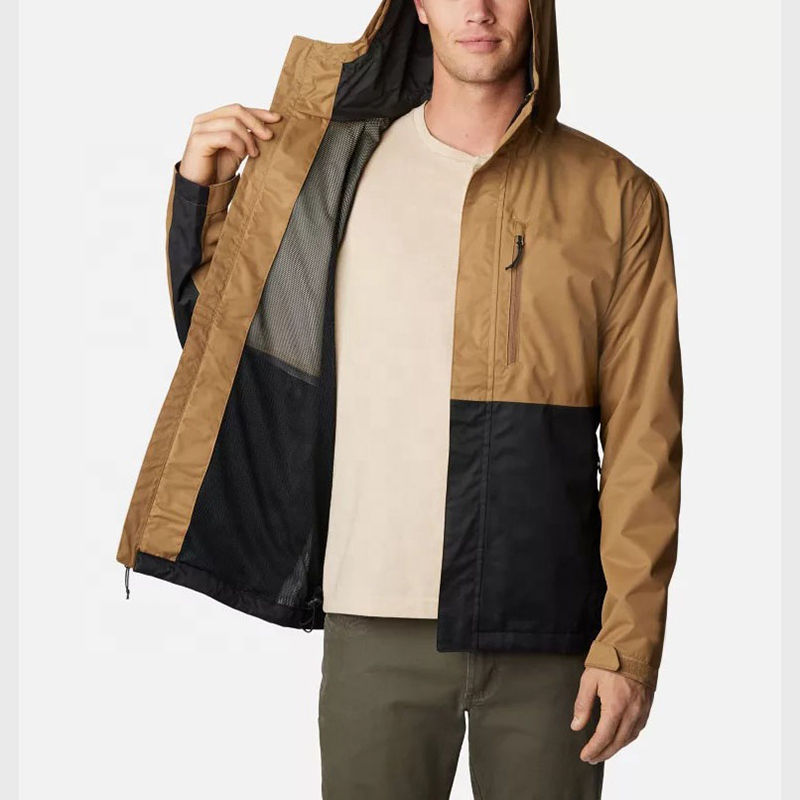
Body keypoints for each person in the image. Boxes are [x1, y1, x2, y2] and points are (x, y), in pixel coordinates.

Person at [116, 1, 682, 797]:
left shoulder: (617, 197)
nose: (477, 10)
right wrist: (202, 192)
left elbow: (644, 440)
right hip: (373, 621)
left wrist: (628, 643)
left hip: (550, 628)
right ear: (417, 4)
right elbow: (238, 351)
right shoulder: (338, 170)